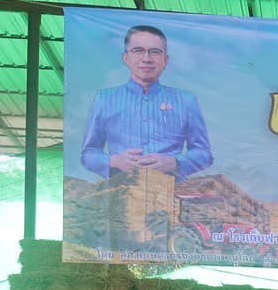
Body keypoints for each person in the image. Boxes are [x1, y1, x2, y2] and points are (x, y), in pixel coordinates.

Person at [80, 23, 213, 182]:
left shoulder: (186, 101)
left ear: (166, 60)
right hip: (121, 190)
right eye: (138, 51)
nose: (146, 59)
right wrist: (113, 161)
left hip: (174, 190)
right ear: (126, 58)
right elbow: (88, 153)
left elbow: (204, 153)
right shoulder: (105, 100)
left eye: (155, 52)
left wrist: (175, 162)